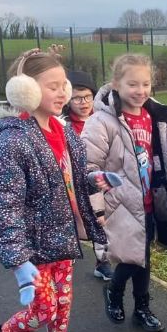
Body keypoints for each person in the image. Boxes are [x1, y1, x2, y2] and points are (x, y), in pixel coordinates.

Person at [0, 48, 107, 332]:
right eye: (53, 86)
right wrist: (18, 261)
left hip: (62, 239)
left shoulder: (63, 132)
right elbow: (5, 209)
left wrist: (95, 180)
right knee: (43, 310)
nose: (63, 92)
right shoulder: (10, 142)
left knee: (63, 305)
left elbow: (69, 179)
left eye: (64, 84)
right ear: (25, 91)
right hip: (32, 249)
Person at [82, 53, 167, 332]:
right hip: (119, 203)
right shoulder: (102, 121)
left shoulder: (152, 116)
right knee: (133, 257)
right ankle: (114, 290)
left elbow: (161, 158)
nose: (140, 91)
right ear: (116, 84)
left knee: (143, 256)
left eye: (146, 84)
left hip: (148, 201)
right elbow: (89, 167)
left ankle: (141, 308)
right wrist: (98, 206)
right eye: (132, 84)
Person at [64, 70, 113, 282]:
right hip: (72, 182)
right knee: (71, 220)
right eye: (77, 98)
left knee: (101, 220)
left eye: (87, 97)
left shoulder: (103, 118)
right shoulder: (63, 124)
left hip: (98, 180)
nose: (83, 102)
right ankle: (66, 254)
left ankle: (103, 262)